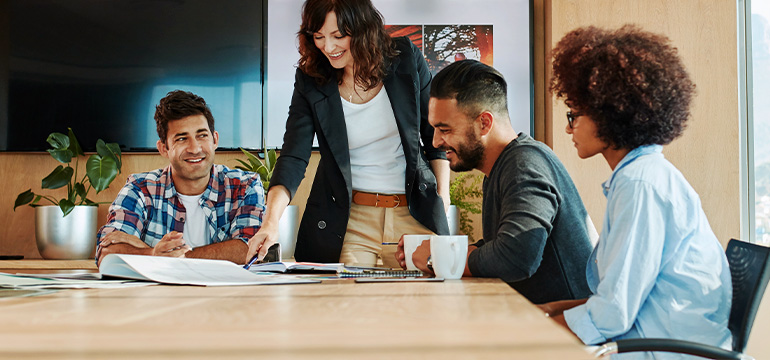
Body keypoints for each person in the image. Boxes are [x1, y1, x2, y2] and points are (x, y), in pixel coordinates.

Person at [540, 25, 732, 354]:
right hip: (650, 336)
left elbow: (613, 314)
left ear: (609, 113)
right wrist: (554, 310)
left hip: (662, 349)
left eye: (574, 114)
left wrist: (533, 327)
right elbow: (619, 297)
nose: (568, 126)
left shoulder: (640, 185)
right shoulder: (639, 176)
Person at [245, 0, 450, 267]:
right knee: (344, 304)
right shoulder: (311, 78)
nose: (328, 47)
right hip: (350, 221)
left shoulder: (406, 59)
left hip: (413, 213)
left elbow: (435, 139)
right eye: (319, 37)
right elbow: (294, 156)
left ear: (363, 29)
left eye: (338, 36)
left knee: (424, 304)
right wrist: (271, 223)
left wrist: (442, 202)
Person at [399, 59, 594, 304]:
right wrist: (437, 248)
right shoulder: (504, 165)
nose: (436, 142)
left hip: (563, 333)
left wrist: (439, 258)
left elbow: (516, 257)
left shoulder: (524, 166)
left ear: (484, 123)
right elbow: (501, 246)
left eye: (445, 129)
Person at [95, 90, 265, 265]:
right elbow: (106, 252)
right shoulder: (140, 189)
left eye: (202, 135)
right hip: (160, 293)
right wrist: (153, 253)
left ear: (215, 140)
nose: (195, 148)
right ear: (163, 148)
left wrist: (170, 257)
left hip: (228, 292)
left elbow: (250, 249)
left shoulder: (245, 185)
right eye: (182, 139)